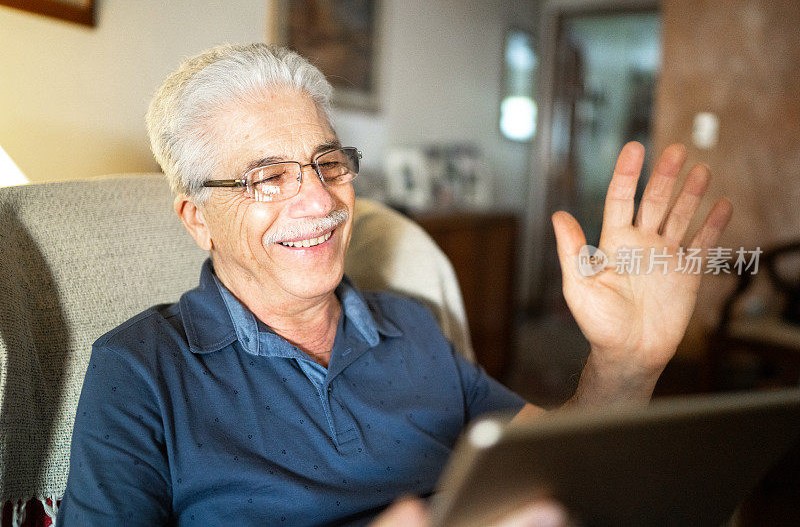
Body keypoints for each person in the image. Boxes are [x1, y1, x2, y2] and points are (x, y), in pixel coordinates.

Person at [56, 43, 732, 526]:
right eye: (267, 177)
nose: (320, 201)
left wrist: (626, 361)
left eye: (328, 163)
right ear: (197, 219)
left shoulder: (413, 325)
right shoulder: (139, 368)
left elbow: (564, 472)